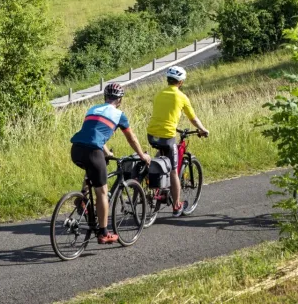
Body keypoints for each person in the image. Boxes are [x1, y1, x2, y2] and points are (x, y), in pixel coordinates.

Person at [70, 82, 151, 244]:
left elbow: (93, 133)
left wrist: (107, 153)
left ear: (105, 97)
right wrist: (142, 155)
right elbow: (132, 138)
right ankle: (104, 233)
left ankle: (83, 196)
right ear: (119, 100)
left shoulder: (93, 109)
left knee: (90, 169)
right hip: (93, 152)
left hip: (76, 149)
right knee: (102, 192)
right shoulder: (119, 115)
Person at [147, 66, 209, 217]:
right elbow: (192, 118)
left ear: (168, 80)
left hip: (151, 134)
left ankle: (155, 184)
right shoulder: (181, 97)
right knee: (174, 170)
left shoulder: (159, 94)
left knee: (160, 158)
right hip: (167, 136)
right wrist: (203, 129)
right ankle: (176, 206)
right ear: (181, 82)